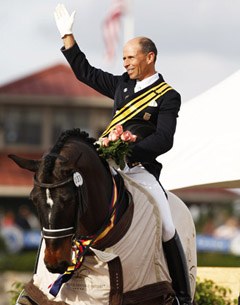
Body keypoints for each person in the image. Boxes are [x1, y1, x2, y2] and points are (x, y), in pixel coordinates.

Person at [54, 4, 192, 305]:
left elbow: (164, 139)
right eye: (124, 58)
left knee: (167, 224)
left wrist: (129, 152)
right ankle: (55, 277)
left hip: (141, 168)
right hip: (108, 164)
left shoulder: (168, 96)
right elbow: (85, 72)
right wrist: (68, 36)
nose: (125, 62)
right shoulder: (121, 85)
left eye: (130, 57)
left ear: (149, 57)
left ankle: (183, 294)